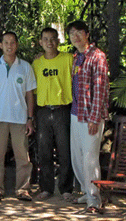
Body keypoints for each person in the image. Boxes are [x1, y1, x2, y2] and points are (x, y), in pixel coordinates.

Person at [0, 32, 36, 202]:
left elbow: (30, 95)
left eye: (12, 42)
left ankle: (23, 189)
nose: (9, 46)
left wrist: (30, 118)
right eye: (6, 42)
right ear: (0, 45)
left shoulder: (25, 67)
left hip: (19, 118)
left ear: (17, 44)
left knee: (22, 156)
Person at [67, 20, 109, 213]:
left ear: (87, 34)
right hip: (76, 113)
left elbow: (100, 89)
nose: (75, 36)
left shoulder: (97, 56)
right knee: (78, 156)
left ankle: (94, 199)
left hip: (91, 116)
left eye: (78, 32)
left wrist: (94, 118)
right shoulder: (77, 57)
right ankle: (86, 191)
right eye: (71, 33)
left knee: (90, 158)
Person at [32, 28, 74, 201]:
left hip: (62, 109)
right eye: (45, 39)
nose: (49, 42)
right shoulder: (36, 63)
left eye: (52, 39)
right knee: (44, 151)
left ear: (58, 41)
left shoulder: (68, 59)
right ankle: (46, 188)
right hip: (42, 110)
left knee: (65, 151)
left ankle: (66, 188)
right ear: (40, 42)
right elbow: (32, 91)